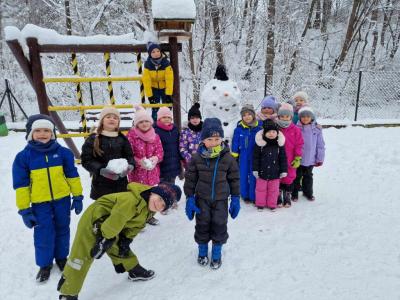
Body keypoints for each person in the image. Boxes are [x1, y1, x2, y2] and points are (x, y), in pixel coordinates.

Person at [57, 182, 181, 300]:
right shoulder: (131, 201)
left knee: (120, 247)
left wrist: (126, 239)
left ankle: (133, 269)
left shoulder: (149, 210)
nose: (159, 204)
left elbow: (136, 226)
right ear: (152, 192)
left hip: (112, 224)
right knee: (82, 255)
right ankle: (68, 293)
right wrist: (104, 240)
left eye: (163, 205)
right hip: (94, 220)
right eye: (159, 198)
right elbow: (114, 222)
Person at [12, 114, 83, 283]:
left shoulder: (63, 153)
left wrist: (78, 196)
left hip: (62, 200)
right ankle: (45, 264)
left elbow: (73, 176)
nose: (43, 134)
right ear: (30, 133)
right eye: (38, 130)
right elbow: (21, 186)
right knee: (43, 232)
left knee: (62, 228)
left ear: (53, 133)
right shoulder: (24, 157)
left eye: (47, 130)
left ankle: (61, 257)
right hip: (39, 203)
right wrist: (24, 209)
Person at [184, 118, 240, 270]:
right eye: (210, 139)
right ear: (203, 140)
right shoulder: (196, 158)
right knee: (202, 224)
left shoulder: (227, 158)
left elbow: (234, 179)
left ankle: (216, 252)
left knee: (220, 225)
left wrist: (235, 198)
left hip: (221, 200)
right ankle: (202, 250)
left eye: (217, 138)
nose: (214, 142)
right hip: (202, 199)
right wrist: (189, 198)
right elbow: (190, 179)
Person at [81, 106, 134, 200]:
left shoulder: (122, 138)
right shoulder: (93, 138)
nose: (112, 119)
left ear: (118, 122)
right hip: (101, 185)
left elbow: (129, 156)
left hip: (120, 184)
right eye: (108, 117)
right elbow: (86, 160)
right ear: (102, 120)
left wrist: (130, 166)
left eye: (115, 118)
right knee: (103, 212)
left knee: (119, 211)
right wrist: (101, 170)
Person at [127, 106, 163, 225]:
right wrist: (139, 161)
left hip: (152, 173)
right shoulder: (132, 136)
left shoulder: (155, 136)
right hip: (137, 174)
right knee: (138, 197)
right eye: (141, 121)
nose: (144, 123)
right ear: (136, 123)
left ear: (150, 122)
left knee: (151, 196)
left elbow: (160, 152)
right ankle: (137, 219)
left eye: (146, 121)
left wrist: (155, 158)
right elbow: (129, 154)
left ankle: (149, 216)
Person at [253, 120, 288, 211]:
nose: (271, 134)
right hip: (262, 172)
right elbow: (255, 157)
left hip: (275, 172)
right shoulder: (260, 144)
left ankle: (272, 204)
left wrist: (284, 170)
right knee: (260, 189)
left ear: (277, 133)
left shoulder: (279, 145)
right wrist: (255, 170)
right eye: (268, 132)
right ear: (264, 133)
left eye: (273, 132)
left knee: (274, 190)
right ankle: (260, 204)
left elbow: (283, 158)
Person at [231, 104, 263, 204]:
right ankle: (245, 195)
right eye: (244, 115)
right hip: (243, 156)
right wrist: (235, 155)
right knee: (243, 175)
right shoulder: (239, 129)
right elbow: (235, 142)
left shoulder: (259, 127)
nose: (247, 117)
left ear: (253, 115)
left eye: (249, 114)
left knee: (254, 176)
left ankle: (253, 196)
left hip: (255, 156)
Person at [292, 106, 325, 202]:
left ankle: (308, 193)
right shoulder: (296, 128)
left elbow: (320, 145)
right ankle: (294, 194)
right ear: (299, 118)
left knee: (308, 177)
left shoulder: (317, 129)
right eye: (303, 116)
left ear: (312, 117)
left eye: (308, 116)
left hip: (311, 159)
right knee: (296, 176)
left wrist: (320, 158)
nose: (305, 118)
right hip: (298, 158)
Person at [276, 103, 304, 207]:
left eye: (287, 116)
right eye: (282, 116)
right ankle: (277, 195)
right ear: (278, 116)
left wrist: (297, 157)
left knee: (289, 177)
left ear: (291, 117)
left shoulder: (295, 129)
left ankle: (287, 196)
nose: (284, 118)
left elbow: (299, 144)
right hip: (277, 158)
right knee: (278, 176)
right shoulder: (276, 128)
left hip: (291, 158)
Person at [142, 42, 174, 121]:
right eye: (153, 52)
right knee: (155, 108)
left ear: (160, 52)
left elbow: (169, 79)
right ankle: (155, 125)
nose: (156, 53)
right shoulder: (148, 65)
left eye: (157, 51)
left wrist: (168, 94)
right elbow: (146, 81)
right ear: (150, 54)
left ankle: (167, 124)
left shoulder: (166, 63)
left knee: (167, 108)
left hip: (165, 88)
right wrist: (150, 96)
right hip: (154, 88)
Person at [154, 107, 182, 184]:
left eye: (169, 117)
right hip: (162, 165)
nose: (167, 119)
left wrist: (181, 158)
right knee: (163, 188)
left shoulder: (174, 130)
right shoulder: (155, 130)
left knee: (172, 187)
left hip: (173, 164)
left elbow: (178, 145)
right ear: (159, 118)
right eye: (164, 117)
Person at [179, 103, 203, 167]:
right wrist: (189, 158)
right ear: (189, 119)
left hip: (203, 161)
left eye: (197, 117)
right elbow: (182, 148)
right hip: (190, 162)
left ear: (200, 118)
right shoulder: (185, 132)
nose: (195, 120)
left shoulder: (204, 131)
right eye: (192, 118)